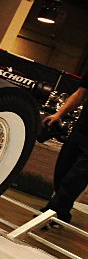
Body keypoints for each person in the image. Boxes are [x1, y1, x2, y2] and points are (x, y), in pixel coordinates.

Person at [41, 77, 88, 224]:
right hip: (81, 130)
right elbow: (79, 94)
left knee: (76, 177)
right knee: (62, 171)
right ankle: (62, 213)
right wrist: (58, 114)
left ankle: (52, 213)